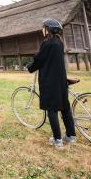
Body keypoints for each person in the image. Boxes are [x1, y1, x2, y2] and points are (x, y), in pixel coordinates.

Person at [26, 18, 76, 148]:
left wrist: (30, 67)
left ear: (48, 29)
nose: (42, 30)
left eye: (43, 28)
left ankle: (57, 139)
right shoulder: (59, 42)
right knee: (65, 107)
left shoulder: (47, 44)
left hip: (50, 81)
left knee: (51, 109)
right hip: (60, 80)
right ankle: (71, 136)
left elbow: (39, 59)